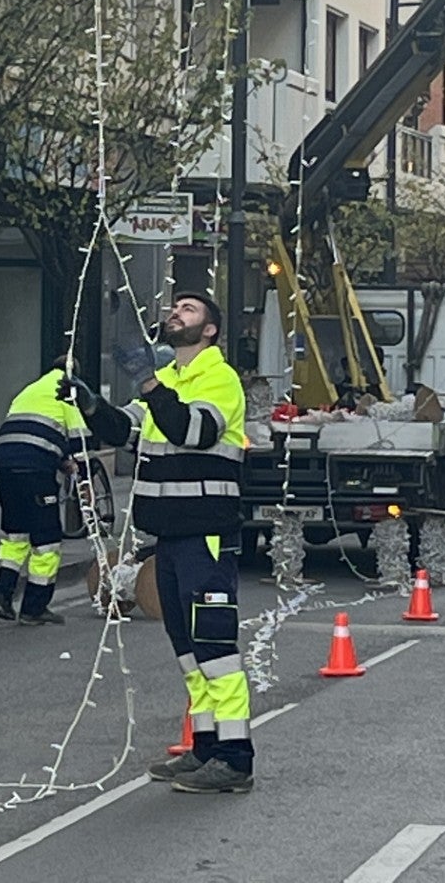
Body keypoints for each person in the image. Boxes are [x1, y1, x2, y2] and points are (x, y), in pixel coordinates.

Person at [78, 293, 254, 796]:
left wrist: (150, 382)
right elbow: (127, 431)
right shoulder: (170, 382)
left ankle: (236, 758)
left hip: (207, 535)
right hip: (172, 538)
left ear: (210, 330)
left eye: (190, 310)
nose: (177, 312)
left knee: (215, 649)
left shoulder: (218, 379)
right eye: (175, 307)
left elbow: (190, 430)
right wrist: (92, 405)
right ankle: (204, 748)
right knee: (189, 652)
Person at [0, 360, 93, 626]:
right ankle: (34, 607)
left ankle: (1, 595)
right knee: (46, 539)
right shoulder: (67, 390)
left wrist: (60, 459)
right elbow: (80, 442)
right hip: (34, 468)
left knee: (16, 533)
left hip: (3, 459)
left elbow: (36, 433)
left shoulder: (31, 389)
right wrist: (84, 482)